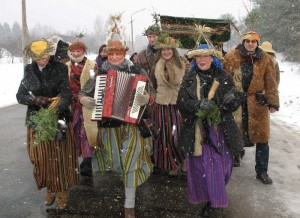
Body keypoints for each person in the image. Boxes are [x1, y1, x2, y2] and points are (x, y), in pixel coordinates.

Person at [78, 35, 156, 218]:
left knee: (131, 162)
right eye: (111, 54)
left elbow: (152, 91)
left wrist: (148, 98)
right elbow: (83, 91)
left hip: (132, 125)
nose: (114, 57)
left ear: (124, 54)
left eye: (118, 53)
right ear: (107, 55)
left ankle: (129, 205)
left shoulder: (137, 70)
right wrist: (84, 99)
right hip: (109, 126)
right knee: (117, 163)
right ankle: (126, 192)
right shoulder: (100, 73)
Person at [177, 44, 244, 216]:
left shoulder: (223, 77)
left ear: (212, 59)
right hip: (197, 131)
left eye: (205, 56)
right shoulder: (189, 79)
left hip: (220, 130)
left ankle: (216, 193)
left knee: (224, 168)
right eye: (198, 57)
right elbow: (182, 104)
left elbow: (235, 100)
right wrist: (198, 104)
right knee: (203, 168)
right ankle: (211, 200)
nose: (202, 60)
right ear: (194, 60)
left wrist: (232, 100)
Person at [16, 39, 78, 209]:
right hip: (36, 121)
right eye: (38, 58)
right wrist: (34, 100)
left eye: (44, 57)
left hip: (59, 119)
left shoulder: (60, 68)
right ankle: (51, 188)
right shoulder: (29, 70)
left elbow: (67, 95)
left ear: (49, 54)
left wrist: (55, 108)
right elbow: (20, 95)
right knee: (40, 158)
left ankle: (62, 190)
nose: (41, 61)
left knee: (61, 157)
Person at [223, 31, 280, 184]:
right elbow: (224, 78)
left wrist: (273, 102)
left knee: (262, 138)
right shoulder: (231, 56)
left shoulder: (266, 59)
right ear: (243, 42)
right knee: (233, 133)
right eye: (247, 41)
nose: (250, 43)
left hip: (258, 103)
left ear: (257, 43)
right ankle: (233, 159)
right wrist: (227, 97)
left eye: (253, 41)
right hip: (237, 102)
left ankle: (262, 171)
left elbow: (271, 81)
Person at [152, 35, 186, 176]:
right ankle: (172, 164)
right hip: (161, 103)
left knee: (177, 135)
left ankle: (184, 160)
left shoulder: (181, 63)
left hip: (177, 103)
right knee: (164, 136)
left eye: (169, 49)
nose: (166, 52)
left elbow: (182, 82)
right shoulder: (156, 64)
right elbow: (152, 85)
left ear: (174, 50)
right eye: (164, 49)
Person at [66, 41, 97, 178]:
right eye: (73, 51)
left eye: (78, 51)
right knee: (72, 133)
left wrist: (88, 98)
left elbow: (96, 84)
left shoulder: (92, 65)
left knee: (86, 133)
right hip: (72, 106)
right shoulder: (65, 66)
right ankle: (73, 161)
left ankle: (87, 161)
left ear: (83, 51)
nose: (75, 53)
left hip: (87, 106)